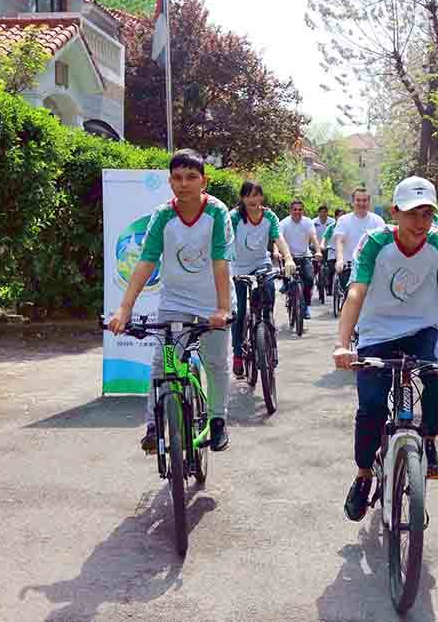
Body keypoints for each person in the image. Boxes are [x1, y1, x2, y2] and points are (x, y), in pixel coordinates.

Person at [333, 176, 438, 521]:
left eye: (427, 214)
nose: (420, 223)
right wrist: (343, 345)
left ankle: (428, 439)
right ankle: (362, 475)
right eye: (411, 214)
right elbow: (356, 292)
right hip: (377, 333)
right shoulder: (375, 242)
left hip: (422, 329)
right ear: (394, 213)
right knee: (372, 407)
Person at [108, 149, 235, 453]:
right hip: (174, 303)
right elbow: (146, 261)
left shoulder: (217, 213)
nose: (184, 184)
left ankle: (218, 420)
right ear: (170, 182)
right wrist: (124, 309)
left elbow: (220, 262)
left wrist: (222, 308)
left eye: (191, 177)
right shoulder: (163, 215)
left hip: (212, 303)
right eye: (177, 178)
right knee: (164, 365)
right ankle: (154, 425)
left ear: (204, 181)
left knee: (216, 362)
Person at [229, 181, 297, 377]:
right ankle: (237, 356)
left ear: (262, 197)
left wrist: (289, 259)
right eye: (248, 195)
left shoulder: (269, 216)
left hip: (261, 264)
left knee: (267, 303)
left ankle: (268, 338)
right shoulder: (234, 217)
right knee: (239, 313)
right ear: (242, 198)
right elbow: (225, 241)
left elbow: (278, 239)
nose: (252, 199)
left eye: (256, 195)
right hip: (238, 268)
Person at [333, 187, 386, 293]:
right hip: (349, 266)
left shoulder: (378, 221)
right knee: (351, 295)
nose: (361, 203)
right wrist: (339, 260)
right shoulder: (344, 220)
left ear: (369, 202)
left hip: (372, 266)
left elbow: (383, 245)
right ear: (353, 202)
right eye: (358, 200)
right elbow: (340, 241)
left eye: (364, 200)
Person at [279, 199, 324, 320]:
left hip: (305, 255)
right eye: (295, 209)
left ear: (303, 211)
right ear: (290, 211)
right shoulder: (284, 223)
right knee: (288, 276)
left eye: (300, 210)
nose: (297, 212)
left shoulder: (308, 222)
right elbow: (277, 238)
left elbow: (314, 237)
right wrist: (276, 251)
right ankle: (287, 285)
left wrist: (318, 251)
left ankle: (306, 306)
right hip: (289, 257)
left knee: (309, 280)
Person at [323, 207, 345, 295]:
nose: (341, 218)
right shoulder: (331, 227)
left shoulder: (347, 226)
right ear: (335, 217)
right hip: (332, 251)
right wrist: (322, 245)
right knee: (330, 270)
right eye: (339, 216)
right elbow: (325, 237)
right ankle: (329, 286)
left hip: (344, 252)